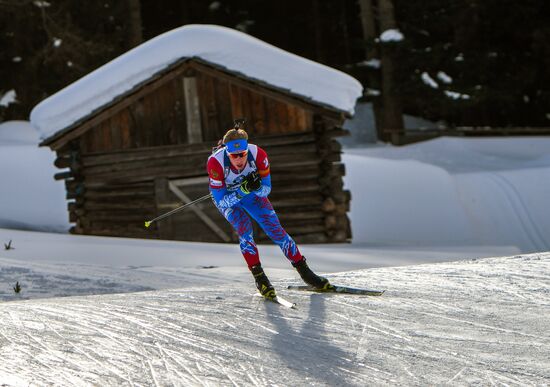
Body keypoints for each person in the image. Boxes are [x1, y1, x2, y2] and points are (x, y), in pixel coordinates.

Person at [207, 127, 332, 299]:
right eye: (234, 155)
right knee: (244, 228)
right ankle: (260, 278)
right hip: (228, 198)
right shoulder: (215, 162)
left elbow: (266, 190)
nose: (239, 159)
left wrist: (256, 187)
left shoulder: (258, 155)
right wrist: (242, 191)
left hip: (251, 196)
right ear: (226, 153)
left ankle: (306, 273)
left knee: (276, 231)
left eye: (242, 154)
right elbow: (222, 202)